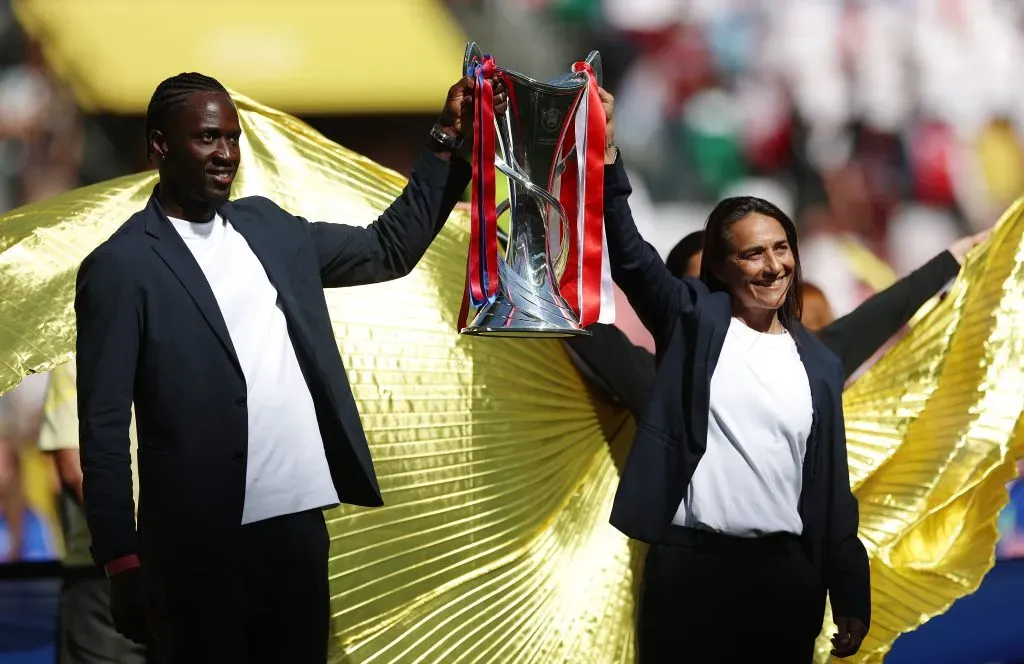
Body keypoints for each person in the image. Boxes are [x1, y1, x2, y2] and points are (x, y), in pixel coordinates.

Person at [74, 71, 507, 664]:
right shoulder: (120, 266)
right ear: (159, 146)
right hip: (196, 551)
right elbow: (101, 432)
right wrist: (121, 562)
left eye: (232, 138)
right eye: (207, 138)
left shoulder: (268, 227)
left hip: (296, 532)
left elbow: (388, 249)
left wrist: (445, 140)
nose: (225, 153)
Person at [598, 87, 867, 661]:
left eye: (781, 249)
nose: (773, 266)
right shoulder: (692, 320)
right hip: (691, 575)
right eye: (753, 254)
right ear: (720, 267)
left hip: (784, 583)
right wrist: (607, 151)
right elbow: (630, 255)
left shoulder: (818, 363)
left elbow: (831, 489)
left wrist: (849, 589)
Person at [567, 220, 987, 418]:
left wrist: (951, 261)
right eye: (697, 290)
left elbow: (871, 319)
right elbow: (615, 277)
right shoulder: (657, 386)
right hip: (686, 570)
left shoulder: (794, 371)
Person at [37, 360, 153, 664]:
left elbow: (71, 466)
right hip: (105, 574)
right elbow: (72, 468)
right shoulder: (72, 352)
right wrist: (124, 553)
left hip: (140, 565)